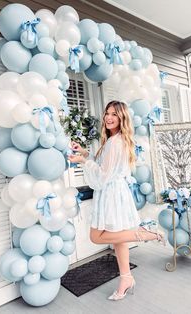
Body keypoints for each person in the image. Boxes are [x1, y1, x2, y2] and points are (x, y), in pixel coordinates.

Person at [68, 100, 164, 301]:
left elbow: (102, 176)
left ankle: (150, 234)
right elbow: (105, 164)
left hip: (111, 194)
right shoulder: (113, 141)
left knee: (96, 236)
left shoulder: (115, 142)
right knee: (119, 239)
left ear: (122, 118)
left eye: (114, 114)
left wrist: (84, 161)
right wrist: (85, 153)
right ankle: (126, 278)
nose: (109, 117)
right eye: (107, 113)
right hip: (115, 193)